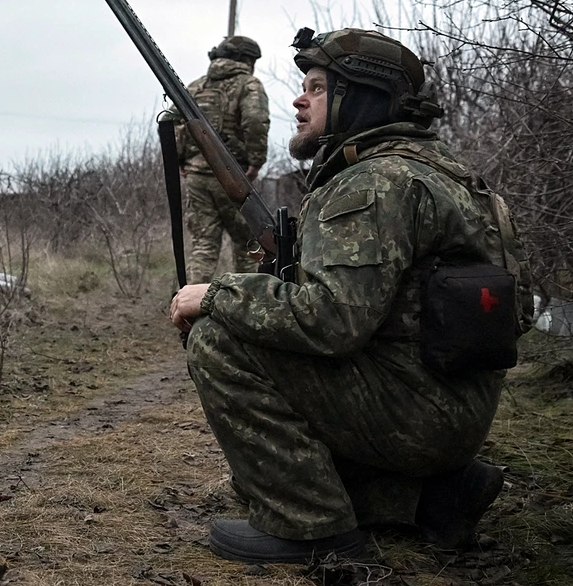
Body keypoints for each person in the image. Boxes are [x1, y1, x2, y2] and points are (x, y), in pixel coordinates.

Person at [169, 28, 533, 564]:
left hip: (416, 414)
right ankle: (433, 498)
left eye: (316, 87)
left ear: (355, 98)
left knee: (219, 339)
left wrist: (218, 293)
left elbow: (330, 321)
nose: (298, 98)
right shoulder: (444, 171)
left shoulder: (371, 184)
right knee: (257, 465)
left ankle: (312, 528)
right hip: (454, 409)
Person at [175, 35, 270, 284]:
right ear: (247, 60)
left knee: (203, 245)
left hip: (196, 177)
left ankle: (189, 309)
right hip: (232, 175)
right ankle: (246, 305)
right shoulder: (249, 85)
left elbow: (177, 126)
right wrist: (256, 161)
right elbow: (255, 121)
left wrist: (181, 161)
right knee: (247, 243)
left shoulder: (196, 86)